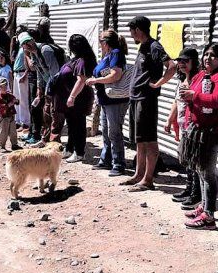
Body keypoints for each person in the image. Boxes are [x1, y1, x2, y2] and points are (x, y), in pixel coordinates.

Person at [181, 43, 218, 229]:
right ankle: (203, 206)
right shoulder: (203, 75)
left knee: (207, 174)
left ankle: (209, 215)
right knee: (201, 172)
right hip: (198, 132)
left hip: (210, 133)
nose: (208, 58)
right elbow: (191, 92)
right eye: (206, 55)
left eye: (213, 56)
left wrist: (193, 95)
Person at [120, 16, 176, 192]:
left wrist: (159, 83)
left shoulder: (154, 46)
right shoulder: (143, 47)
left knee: (149, 139)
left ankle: (148, 179)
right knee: (140, 140)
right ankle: (139, 175)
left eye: (131, 30)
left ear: (137, 30)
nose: (130, 34)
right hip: (136, 98)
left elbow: (172, 66)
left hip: (146, 100)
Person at [87, 29, 130, 176]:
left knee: (114, 131)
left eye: (100, 41)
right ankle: (106, 159)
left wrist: (95, 80)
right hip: (106, 99)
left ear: (106, 42)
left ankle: (118, 164)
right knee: (106, 131)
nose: (99, 44)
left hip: (116, 100)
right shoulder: (108, 55)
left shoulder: (116, 54)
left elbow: (115, 75)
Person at [164, 48, 201, 204]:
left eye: (185, 61)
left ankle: (195, 193)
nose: (181, 64)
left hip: (193, 126)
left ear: (194, 62)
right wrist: (169, 120)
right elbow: (176, 102)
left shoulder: (197, 81)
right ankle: (189, 188)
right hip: (182, 125)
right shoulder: (181, 81)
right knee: (186, 159)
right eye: (179, 61)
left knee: (194, 161)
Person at [56, 34, 96, 163]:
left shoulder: (83, 60)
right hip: (72, 97)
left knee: (78, 125)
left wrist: (72, 96)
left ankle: (79, 152)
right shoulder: (77, 59)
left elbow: (81, 80)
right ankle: (69, 148)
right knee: (72, 125)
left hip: (80, 98)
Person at [0, 77, 21, 153]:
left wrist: (16, 101)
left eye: (5, 86)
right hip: (3, 117)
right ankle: (2, 146)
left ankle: (14, 144)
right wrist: (10, 104)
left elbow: (17, 101)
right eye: (2, 87)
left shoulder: (10, 95)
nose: (4, 88)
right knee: (3, 132)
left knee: (13, 131)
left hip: (11, 115)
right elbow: (1, 107)